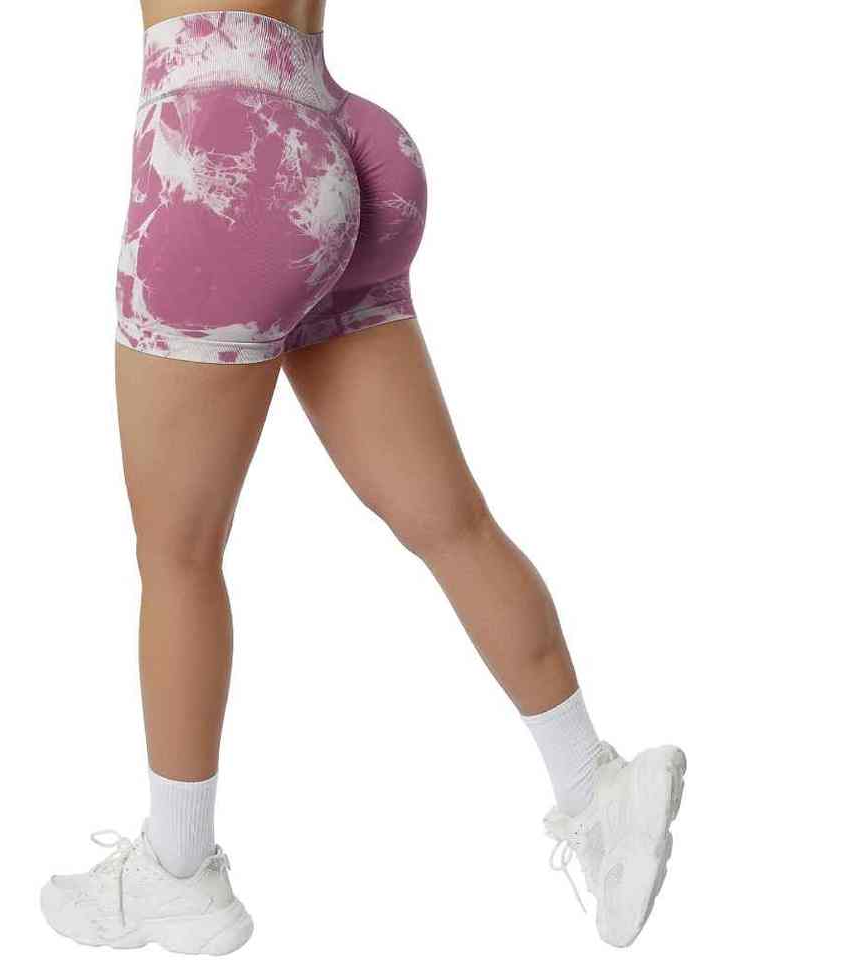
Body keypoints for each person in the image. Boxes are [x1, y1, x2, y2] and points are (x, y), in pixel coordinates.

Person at [40, 2, 686, 952]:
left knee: (177, 556)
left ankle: (177, 873)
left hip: (219, 143)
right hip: (339, 127)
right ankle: (598, 786)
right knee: (452, 523)